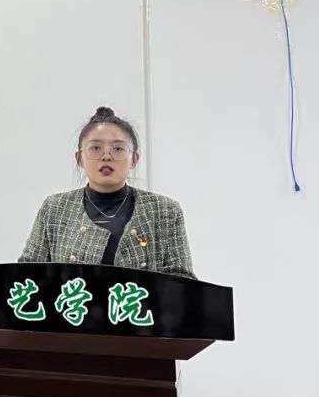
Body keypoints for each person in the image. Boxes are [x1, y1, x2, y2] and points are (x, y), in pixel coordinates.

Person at [19, 106, 194, 278]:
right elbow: (25, 277)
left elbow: (183, 283)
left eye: (118, 149)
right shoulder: (54, 209)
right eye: (95, 148)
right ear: (79, 158)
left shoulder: (165, 211)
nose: (106, 156)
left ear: (134, 159)